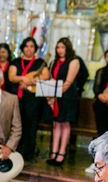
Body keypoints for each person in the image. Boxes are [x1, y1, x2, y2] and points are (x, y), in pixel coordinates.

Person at [8, 36, 49, 162]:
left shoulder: (40, 63)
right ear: (22, 48)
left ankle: (29, 154)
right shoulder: (15, 61)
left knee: (31, 125)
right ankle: (15, 151)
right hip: (17, 98)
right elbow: (11, 77)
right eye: (26, 46)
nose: (29, 49)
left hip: (33, 99)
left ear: (35, 49)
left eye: (32, 46)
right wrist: (23, 79)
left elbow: (45, 76)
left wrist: (31, 81)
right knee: (17, 126)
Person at [46, 38, 81, 166]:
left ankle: (61, 153)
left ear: (68, 48)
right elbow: (50, 78)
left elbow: (68, 82)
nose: (60, 50)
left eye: (62, 47)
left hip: (67, 96)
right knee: (56, 124)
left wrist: (55, 94)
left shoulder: (74, 61)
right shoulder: (54, 61)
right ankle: (53, 152)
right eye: (58, 47)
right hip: (55, 96)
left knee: (65, 124)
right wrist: (50, 96)